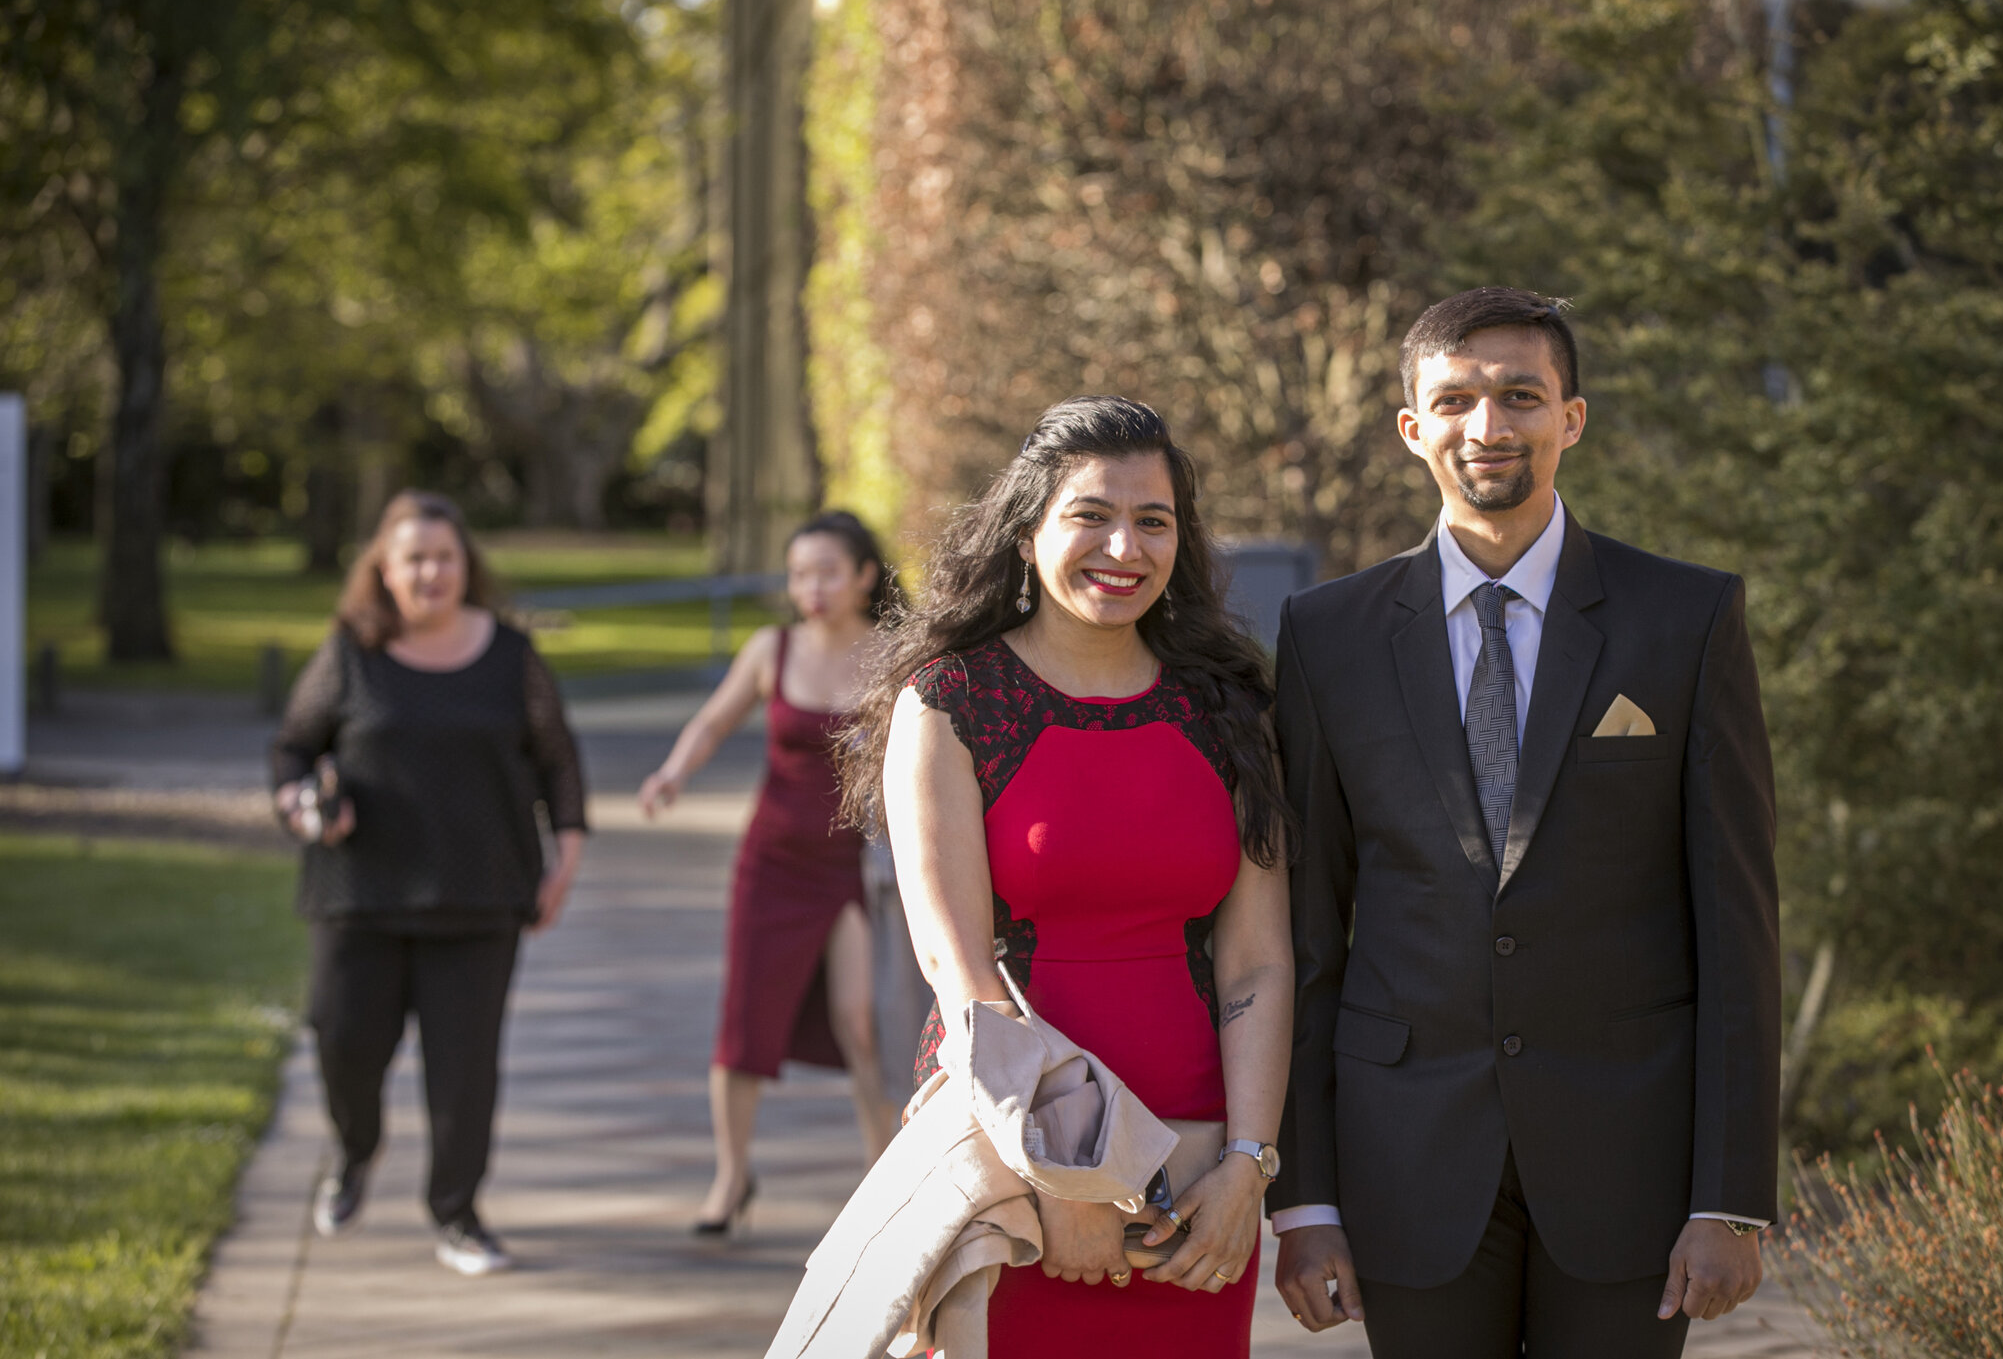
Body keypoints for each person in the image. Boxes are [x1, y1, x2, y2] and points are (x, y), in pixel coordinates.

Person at [1267, 287, 1781, 1356]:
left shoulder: (1683, 619)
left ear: (1570, 417)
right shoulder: (1328, 637)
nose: (1485, 426)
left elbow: (1736, 923)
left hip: (1628, 1163)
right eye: (1453, 399)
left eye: (1518, 395)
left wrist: (1729, 1195)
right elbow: (1306, 935)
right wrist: (1303, 1196)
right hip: (1402, 1163)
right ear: (1411, 427)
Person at [840, 396, 1295, 1356]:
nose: (1122, 545)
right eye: (1090, 514)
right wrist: (1060, 1179)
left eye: (1154, 520)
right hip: (1010, 1162)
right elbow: (956, 967)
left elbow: (1257, 960)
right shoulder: (952, 700)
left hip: (1197, 1175)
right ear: (1027, 532)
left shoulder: (1230, 704)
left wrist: (1249, 1170)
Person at [271, 490, 587, 1277]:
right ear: (384, 567)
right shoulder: (351, 651)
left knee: (464, 1067)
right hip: (357, 893)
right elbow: (292, 747)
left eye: (445, 556)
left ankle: (457, 1214)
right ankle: (355, 1152)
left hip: (481, 893)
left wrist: (567, 856)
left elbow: (557, 758)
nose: (431, 571)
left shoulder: (510, 654)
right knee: (343, 1040)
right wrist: (303, 803)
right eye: (414, 557)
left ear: (465, 565)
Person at [639, 511, 901, 1233]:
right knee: (744, 1026)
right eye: (798, 574)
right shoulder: (771, 646)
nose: (810, 588)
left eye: (826, 572)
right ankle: (731, 1175)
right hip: (772, 862)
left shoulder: (892, 654)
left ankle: (884, 1181)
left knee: (861, 1020)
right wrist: (671, 773)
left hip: (850, 863)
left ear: (863, 577)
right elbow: (713, 722)